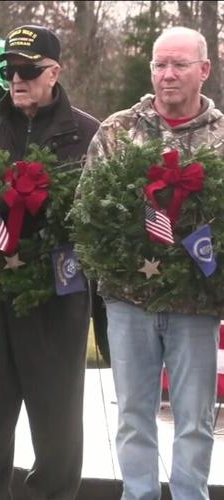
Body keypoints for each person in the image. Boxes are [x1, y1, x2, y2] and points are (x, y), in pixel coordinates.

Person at [0, 25, 99, 499]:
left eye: (29, 71)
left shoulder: (89, 135)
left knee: (57, 428)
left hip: (58, 299)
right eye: (9, 70)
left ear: (54, 73)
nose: (16, 79)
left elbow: (101, 221)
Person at [80, 26, 222, 500]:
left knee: (195, 420)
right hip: (128, 300)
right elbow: (87, 208)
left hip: (196, 305)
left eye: (179, 64)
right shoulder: (118, 130)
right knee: (134, 415)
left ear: (204, 69)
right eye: (160, 64)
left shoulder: (221, 140)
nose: (167, 74)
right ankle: (137, 495)